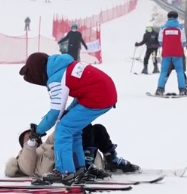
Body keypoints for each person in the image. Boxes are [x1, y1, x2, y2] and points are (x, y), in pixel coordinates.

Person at [18, 52, 117, 182]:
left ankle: (64, 171)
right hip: (104, 92)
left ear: (37, 73)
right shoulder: (62, 67)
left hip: (99, 96)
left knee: (63, 129)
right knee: (71, 128)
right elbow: (84, 90)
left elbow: (55, 112)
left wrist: (38, 130)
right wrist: (69, 111)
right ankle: (78, 167)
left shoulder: (56, 79)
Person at [5, 122, 139, 181]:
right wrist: (30, 145)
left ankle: (111, 160)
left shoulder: (46, 144)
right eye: (26, 137)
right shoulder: (21, 157)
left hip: (80, 160)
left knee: (97, 129)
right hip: (61, 168)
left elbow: (60, 136)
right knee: (76, 127)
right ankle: (87, 164)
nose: (30, 138)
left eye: (32, 135)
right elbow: (28, 168)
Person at [155, 11, 187, 96]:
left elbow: (160, 41)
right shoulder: (180, 28)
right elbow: (184, 42)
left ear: (168, 17)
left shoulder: (163, 28)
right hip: (177, 53)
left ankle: (160, 89)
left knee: (164, 72)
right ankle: (182, 89)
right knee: (180, 71)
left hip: (166, 53)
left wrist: (166, 45)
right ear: (177, 18)